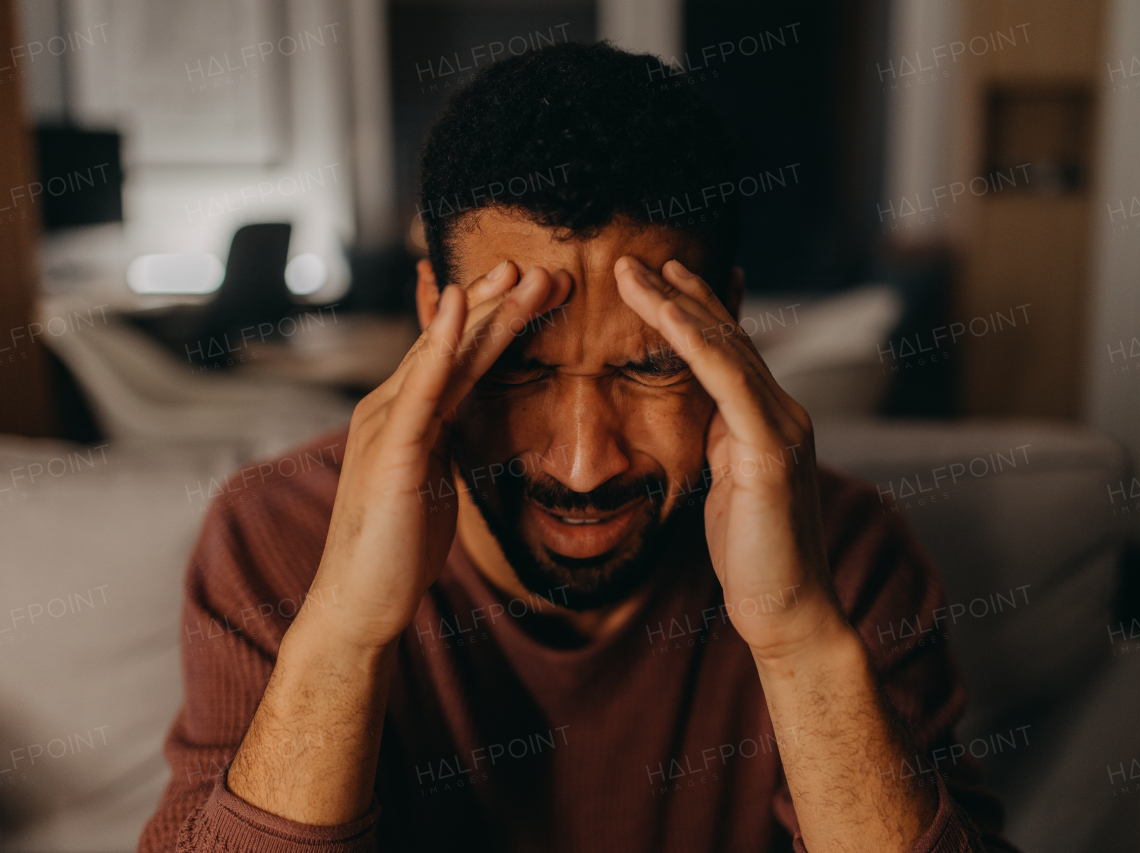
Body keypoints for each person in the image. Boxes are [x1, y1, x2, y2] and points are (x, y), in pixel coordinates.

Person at [140, 41, 1016, 853]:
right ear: (430, 317)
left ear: (728, 325)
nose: (584, 463)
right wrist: (339, 633)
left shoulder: (849, 551)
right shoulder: (272, 536)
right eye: (516, 370)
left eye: (650, 369)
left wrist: (797, 637)